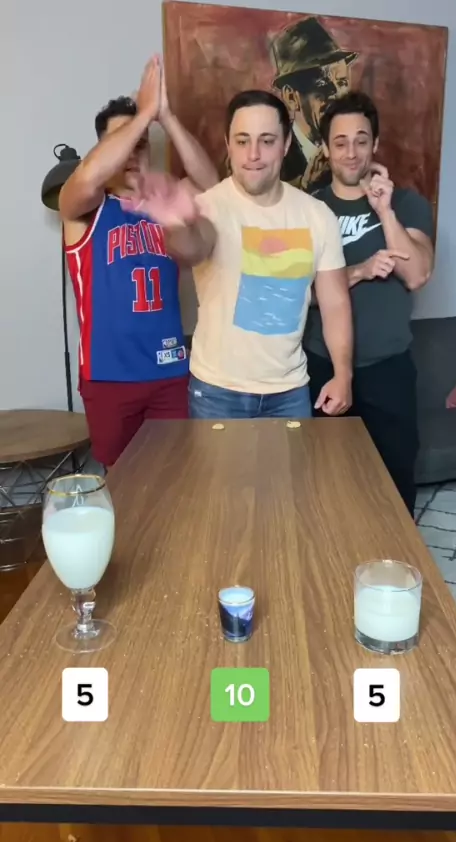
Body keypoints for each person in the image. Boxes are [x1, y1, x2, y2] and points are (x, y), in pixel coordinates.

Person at [123, 90, 353, 421]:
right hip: (217, 393)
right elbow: (191, 249)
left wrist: (343, 374)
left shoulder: (318, 216)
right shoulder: (208, 205)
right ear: (228, 145)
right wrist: (174, 222)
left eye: (267, 141)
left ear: (286, 143)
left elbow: (335, 303)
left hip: (290, 393)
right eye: (242, 141)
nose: (253, 154)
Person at [59, 55, 218, 468]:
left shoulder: (167, 200)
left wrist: (165, 116)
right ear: (104, 150)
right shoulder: (86, 209)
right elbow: (88, 178)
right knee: (123, 485)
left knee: (176, 480)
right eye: (122, 143)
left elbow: (217, 192)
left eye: (141, 143)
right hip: (108, 377)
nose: (132, 153)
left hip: (170, 371)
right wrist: (143, 114)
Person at [304, 91, 434, 516]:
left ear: (375, 144)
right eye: (340, 142)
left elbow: (417, 274)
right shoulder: (309, 209)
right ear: (326, 149)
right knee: (324, 484)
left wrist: (385, 211)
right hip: (322, 365)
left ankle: (395, 556)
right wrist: (359, 270)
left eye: (361, 140)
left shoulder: (406, 204)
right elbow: (299, 293)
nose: (351, 152)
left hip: (388, 367)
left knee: (394, 485)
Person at [270, 17, 358, 191]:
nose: (338, 96)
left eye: (342, 83)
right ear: (291, 97)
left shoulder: (357, 149)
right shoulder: (267, 153)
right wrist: (306, 187)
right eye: (322, 86)